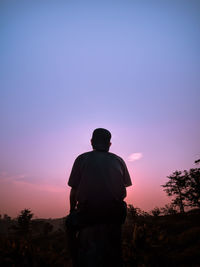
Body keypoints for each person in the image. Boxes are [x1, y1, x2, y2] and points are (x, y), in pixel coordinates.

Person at [67, 128, 132, 267]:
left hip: (88, 213)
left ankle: (75, 260)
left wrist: (72, 210)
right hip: (115, 213)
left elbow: (74, 190)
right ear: (109, 144)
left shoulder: (82, 158)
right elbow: (124, 188)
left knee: (69, 224)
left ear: (91, 142)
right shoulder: (119, 160)